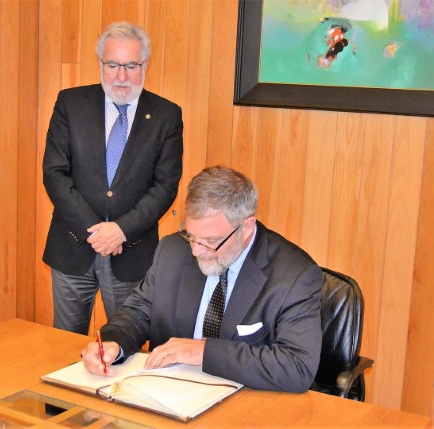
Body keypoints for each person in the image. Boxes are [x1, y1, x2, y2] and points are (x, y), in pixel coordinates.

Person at [81, 166, 323, 392]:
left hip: (243, 405)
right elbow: (137, 313)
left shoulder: (294, 276)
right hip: (167, 394)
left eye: (211, 241)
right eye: (192, 235)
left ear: (246, 228)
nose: (196, 251)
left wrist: (204, 352)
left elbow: (297, 366)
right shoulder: (174, 250)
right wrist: (114, 344)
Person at [42, 21, 183, 335]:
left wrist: (121, 231)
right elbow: (54, 173)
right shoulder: (71, 104)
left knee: (127, 344)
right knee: (61, 346)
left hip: (131, 252)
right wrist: (96, 232)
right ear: (100, 64)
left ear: (145, 64)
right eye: (113, 65)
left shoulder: (166, 115)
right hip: (73, 248)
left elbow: (165, 186)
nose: (122, 76)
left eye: (131, 65)